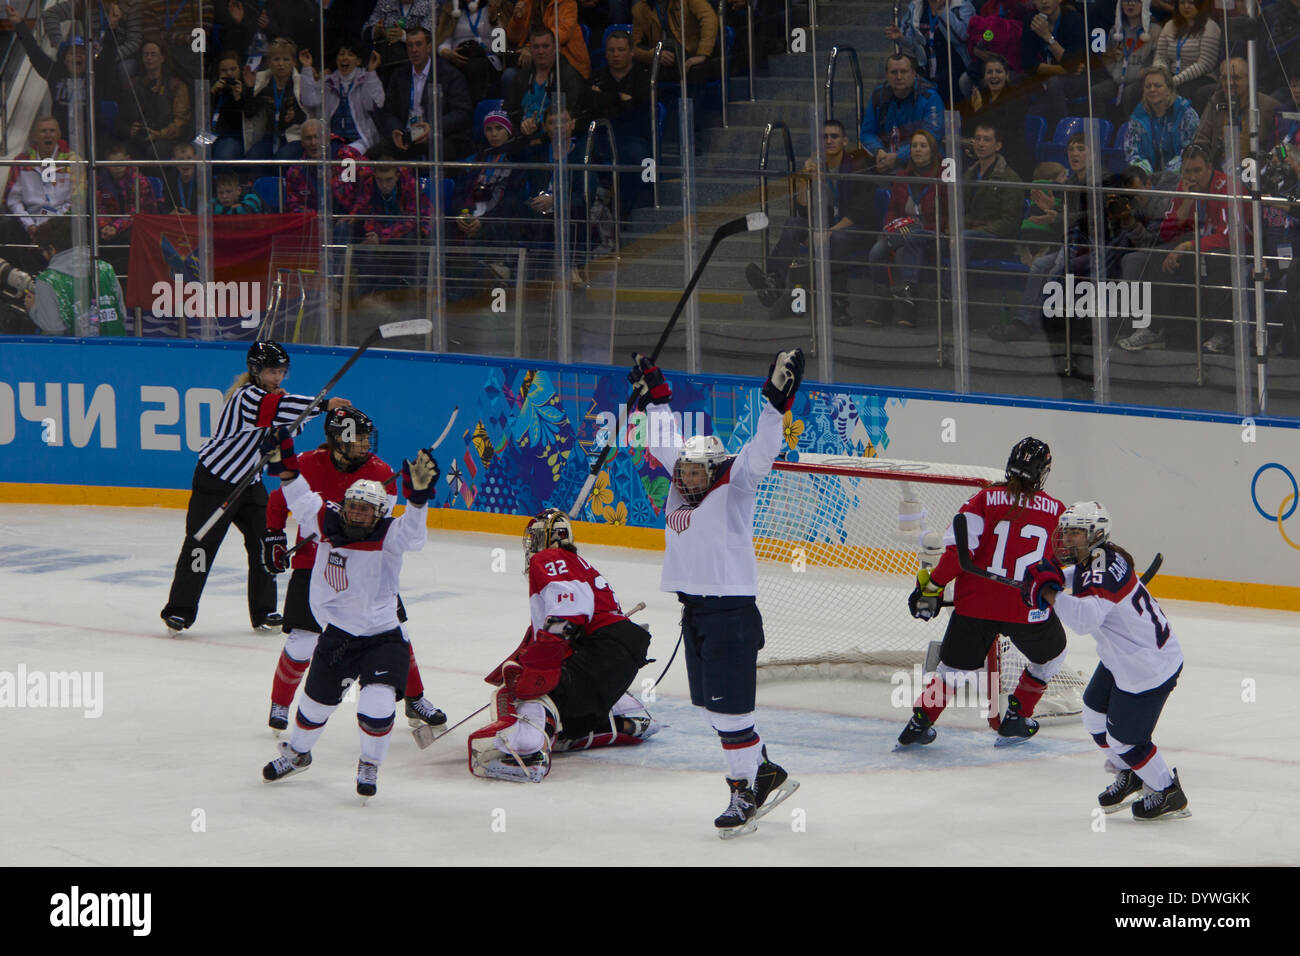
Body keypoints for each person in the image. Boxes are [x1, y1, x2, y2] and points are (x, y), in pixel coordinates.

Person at [631, 348, 803, 836]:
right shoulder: (680, 479)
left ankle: (742, 792)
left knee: (731, 713)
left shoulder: (736, 482)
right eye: (682, 472)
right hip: (695, 614)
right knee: (711, 709)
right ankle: (763, 769)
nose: (686, 478)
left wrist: (775, 403)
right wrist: (656, 394)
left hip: (730, 612)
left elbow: (762, 448)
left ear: (714, 469)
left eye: (694, 473)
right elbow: (665, 441)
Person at [260, 434, 440, 800]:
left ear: (379, 512)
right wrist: (286, 470)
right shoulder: (327, 523)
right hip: (338, 635)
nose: (358, 513)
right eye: (354, 506)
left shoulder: (390, 535)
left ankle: (370, 764)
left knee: (375, 705)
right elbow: (301, 498)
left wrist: (417, 501)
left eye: (366, 509)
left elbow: (415, 536)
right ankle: (297, 754)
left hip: (383, 638)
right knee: (313, 706)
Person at [159, 341, 350, 633]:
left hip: (250, 484)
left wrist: (309, 412)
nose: (278, 377)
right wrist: (322, 405)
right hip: (216, 480)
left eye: (282, 371)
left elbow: (289, 425)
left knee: (265, 544)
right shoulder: (246, 397)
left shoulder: (278, 399)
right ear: (256, 371)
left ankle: (264, 611)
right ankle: (180, 611)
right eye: (272, 371)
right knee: (201, 545)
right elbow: (273, 410)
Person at [1021, 501, 1189, 820]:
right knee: (1094, 716)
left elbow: (1085, 620)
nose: (1067, 539)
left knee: (1125, 740)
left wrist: (1050, 593)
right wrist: (1056, 576)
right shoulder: (1099, 556)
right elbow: (1083, 578)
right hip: (1124, 659)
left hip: (1147, 668)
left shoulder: (1102, 567)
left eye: (1075, 533)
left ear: (1095, 534)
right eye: (1066, 532)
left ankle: (1168, 791)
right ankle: (1133, 774)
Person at [467, 509, 658, 781]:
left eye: (534, 539)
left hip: (601, 650)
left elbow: (570, 611)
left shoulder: (549, 558)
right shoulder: (575, 562)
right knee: (566, 717)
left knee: (531, 697)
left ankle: (529, 756)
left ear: (547, 539)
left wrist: (541, 663)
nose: (531, 546)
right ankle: (628, 718)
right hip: (616, 655)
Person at [900, 437, 1067, 747]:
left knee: (950, 672)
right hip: (1026, 607)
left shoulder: (983, 499)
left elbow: (956, 555)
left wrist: (933, 587)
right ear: (1042, 472)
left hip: (976, 604)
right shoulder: (1057, 511)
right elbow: (1060, 566)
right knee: (1052, 657)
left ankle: (919, 723)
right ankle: (1018, 716)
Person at [744, 120, 872, 324]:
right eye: (824, 137)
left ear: (845, 141)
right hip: (824, 228)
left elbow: (861, 211)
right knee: (794, 224)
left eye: (834, 136)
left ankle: (837, 305)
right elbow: (803, 208)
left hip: (853, 229)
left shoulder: (858, 165)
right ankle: (774, 281)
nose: (829, 140)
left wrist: (827, 232)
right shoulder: (819, 166)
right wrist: (806, 179)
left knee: (835, 239)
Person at [1116, 142, 1234, 352]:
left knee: (1215, 258)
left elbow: (1227, 237)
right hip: (1195, 244)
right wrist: (1187, 202)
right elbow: (1166, 231)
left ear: (1209, 168)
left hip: (1225, 247)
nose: (1193, 177)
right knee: (1157, 254)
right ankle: (1152, 329)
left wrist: (1186, 245)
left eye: (1198, 171)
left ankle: (1222, 333)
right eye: (1187, 171)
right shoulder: (1184, 186)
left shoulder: (1224, 187)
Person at [865, 128, 947, 328]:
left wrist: (919, 229)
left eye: (923, 146)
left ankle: (907, 307)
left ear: (933, 150)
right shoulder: (902, 175)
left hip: (929, 231)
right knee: (876, 251)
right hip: (902, 231)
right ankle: (884, 301)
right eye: (914, 146)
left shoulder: (943, 178)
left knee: (910, 242)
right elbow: (892, 209)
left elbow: (946, 216)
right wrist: (892, 227)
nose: (918, 150)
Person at [378, 26, 474, 162]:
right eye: (410, 45)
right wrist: (395, 130)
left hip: (436, 134)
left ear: (429, 47)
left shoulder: (450, 75)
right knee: (377, 152)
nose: (414, 50)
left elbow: (462, 113)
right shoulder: (399, 75)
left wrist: (433, 128)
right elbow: (388, 111)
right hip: (407, 133)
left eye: (418, 44)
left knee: (443, 151)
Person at [2, 117, 83, 275]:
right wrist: (29, 224)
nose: (48, 135)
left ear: (59, 134)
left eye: (52, 131)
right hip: (29, 220)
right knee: (7, 227)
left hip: (61, 219)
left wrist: (50, 223)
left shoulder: (72, 161)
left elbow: (77, 200)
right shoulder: (22, 161)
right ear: (34, 136)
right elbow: (13, 200)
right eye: (43, 131)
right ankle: (26, 283)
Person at [25, 216, 127, 337]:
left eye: (43, 250)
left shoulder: (47, 280)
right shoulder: (105, 268)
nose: (43, 255)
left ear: (52, 249)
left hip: (75, 352)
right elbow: (122, 314)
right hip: (117, 348)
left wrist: (33, 309)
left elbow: (54, 329)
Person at [501, 25, 589, 150]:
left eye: (545, 46)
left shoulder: (568, 76)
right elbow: (509, 110)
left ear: (555, 48)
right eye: (536, 47)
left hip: (554, 142)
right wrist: (521, 126)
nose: (540, 51)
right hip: (522, 140)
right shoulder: (521, 76)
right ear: (530, 49)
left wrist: (543, 138)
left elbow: (573, 116)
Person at [1192, 57, 1283, 174]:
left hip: (1256, 175)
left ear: (1249, 79)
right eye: (1225, 78)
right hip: (1218, 173)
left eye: (1235, 78)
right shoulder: (1216, 102)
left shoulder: (1269, 106)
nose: (1229, 83)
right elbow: (1201, 139)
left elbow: (1278, 148)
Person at [297, 41, 386, 155]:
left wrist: (371, 72)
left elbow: (374, 104)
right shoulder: (328, 81)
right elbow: (310, 101)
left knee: (345, 155)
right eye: (341, 54)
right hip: (334, 139)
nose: (344, 58)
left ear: (358, 61)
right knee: (330, 154)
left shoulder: (366, 78)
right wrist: (307, 68)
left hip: (360, 139)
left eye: (350, 55)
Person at [860, 53, 945, 173]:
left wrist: (897, 157)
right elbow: (866, 133)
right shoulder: (878, 95)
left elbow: (932, 137)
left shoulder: (930, 97)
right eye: (894, 72)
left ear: (913, 74)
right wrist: (878, 151)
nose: (899, 77)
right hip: (886, 161)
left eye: (904, 71)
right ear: (887, 75)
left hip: (923, 166)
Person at [885, 0, 976, 107]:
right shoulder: (916, 6)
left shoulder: (962, 5)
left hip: (955, 64)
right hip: (926, 65)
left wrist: (942, 12)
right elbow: (913, 44)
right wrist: (901, 38)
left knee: (940, 86)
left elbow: (961, 37)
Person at [115, 36, 192, 160]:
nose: (149, 58)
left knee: (156, 151)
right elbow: (120, 118)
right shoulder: (133, 84)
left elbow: (180, 123)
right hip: (138, 138)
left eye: (153, 54)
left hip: (165, 139)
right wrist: (130, 130)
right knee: (122, 152)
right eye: (146, 54)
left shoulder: (176, 86)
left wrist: (157, 134)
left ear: (162, 58)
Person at [1123, 66, 1198, 185]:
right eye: (1148, 86)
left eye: (1158, 86)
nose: (1152, 89)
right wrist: (1146, 176)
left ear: (1169, 89)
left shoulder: (1186, 114)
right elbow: (1132, 152)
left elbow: (1190, 152)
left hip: (1179, 178)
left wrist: (1165, 176)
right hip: (1148, 180)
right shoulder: (1137, 117)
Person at [1020, 0, 1087, 124]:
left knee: (1054, 83)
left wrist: (1047, 36)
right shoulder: (1031, 20)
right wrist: (1062, 70)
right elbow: (1028, 64)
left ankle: (1064, 129)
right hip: (1046, 77)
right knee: (1017, 82)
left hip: (1077, 79)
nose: (1044, 2)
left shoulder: (1074, 19)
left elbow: (1071, 62)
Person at [1095, 0, 1162, 120]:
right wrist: (1115, 73)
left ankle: (1130, 132)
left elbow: (1158, 60)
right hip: (1118, 79)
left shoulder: (1155, 30)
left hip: (1142, 80)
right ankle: (1104, 132)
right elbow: (1108, 57)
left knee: (1129, 93)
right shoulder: (1116, 30)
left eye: (1136, 1)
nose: (1130, 4)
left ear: (1144, 5)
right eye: (1126, 1)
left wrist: (1145, 73)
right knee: (1096, 92)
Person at [1150, 0, 1221, 114]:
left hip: (1200, 78)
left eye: (1191, 2)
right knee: (1141, 89)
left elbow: (1205, 64)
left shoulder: (1210, 27)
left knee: (1177, 94)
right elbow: (1160, 55)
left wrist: (1174, 81)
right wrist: (1162, 76)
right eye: (1182, 2)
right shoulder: (1170, 25)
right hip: (1171, 76)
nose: (1186, 6)